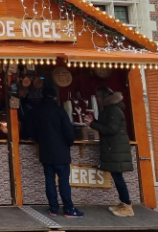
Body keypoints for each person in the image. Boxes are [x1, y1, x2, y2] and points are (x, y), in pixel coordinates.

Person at [23, 85, 84, 218]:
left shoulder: (35, 111)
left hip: (45, 152)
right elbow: (69, 134)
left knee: (49, 181)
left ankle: (53, 209)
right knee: (63, 181)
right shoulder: (60, 111)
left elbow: (28, 131)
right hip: (61, 153)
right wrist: (67, 144)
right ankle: (68, 209)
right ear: (55, 97)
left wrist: (40, 140)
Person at [84, 86, 135, 217]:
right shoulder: (109, 110)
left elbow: (111, 129)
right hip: (113, 147)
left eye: (98, 97)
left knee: (118, 177)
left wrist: (92, 124)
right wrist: (93, 122)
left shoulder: (113, 110)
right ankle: (123, 203)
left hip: (116, 148)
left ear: (104, 98)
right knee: (117, 176)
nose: (97, 99)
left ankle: (127, 205)